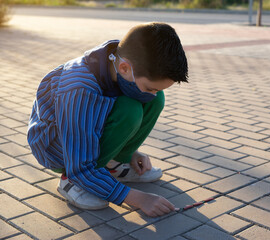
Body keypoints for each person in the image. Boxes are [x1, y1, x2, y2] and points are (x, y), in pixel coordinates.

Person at [27, 22, 188, 217]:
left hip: (86, 128)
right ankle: (70, 181)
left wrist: (130, 153)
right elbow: (80, 163)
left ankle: (112, 163)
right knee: (131, 110)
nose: (152, 94)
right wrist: (138, 198)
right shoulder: (78, 89)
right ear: (124, 68)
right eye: (149, 87)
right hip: (59, 148)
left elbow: (104, 116)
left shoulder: (122, 60)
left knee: (153, 101)